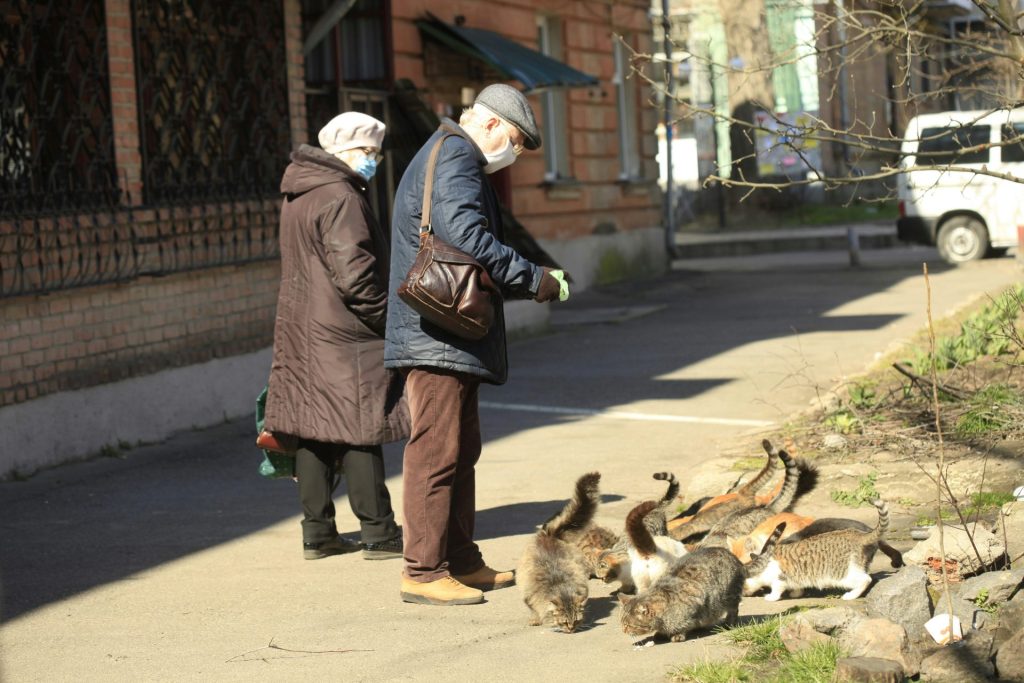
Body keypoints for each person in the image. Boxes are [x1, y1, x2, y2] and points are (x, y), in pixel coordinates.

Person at [385, 84, 570, 605]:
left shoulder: (450, 151)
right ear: (488, 124)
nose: (510, 153)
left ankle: (460, 560)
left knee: (460, 450)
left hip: (446, 330)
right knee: (436, 453)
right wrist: (534, 277)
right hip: (436, 332)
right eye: (512, 140)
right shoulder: (456, 157)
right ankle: (422, 572)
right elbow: (467, 238)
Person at [264, 111, 408, 561]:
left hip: (304, 328)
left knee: (313, 429)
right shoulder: (341, 196)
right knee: (359, 428)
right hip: (346, 332)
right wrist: (389, 323)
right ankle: (379, 532)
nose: (374, 160)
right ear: (343, 151)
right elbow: (356, 278)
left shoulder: (299, 192)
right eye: (368, 151)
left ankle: (317, 532)